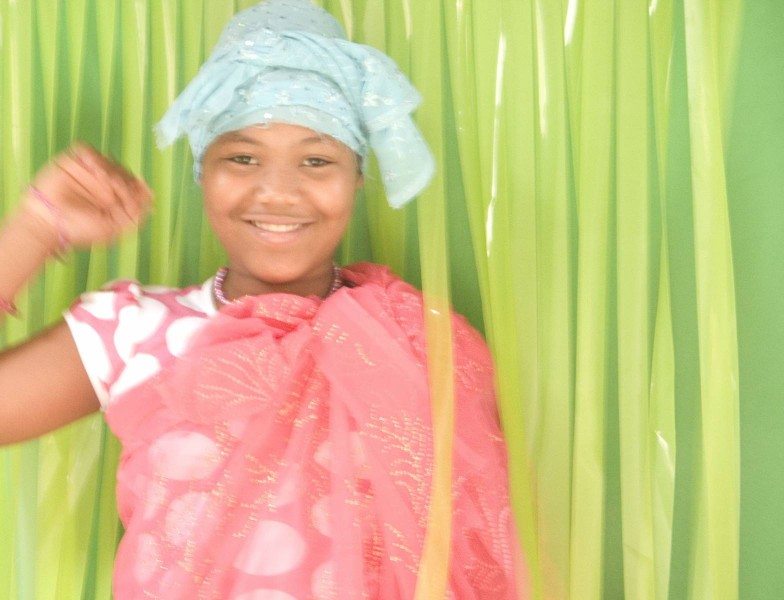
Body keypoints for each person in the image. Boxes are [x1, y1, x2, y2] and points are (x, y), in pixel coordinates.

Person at [0, 1, 523, 598]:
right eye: (242, 158)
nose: (277, 192)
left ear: (357, 177)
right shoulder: (134, 332)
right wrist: (34, 229)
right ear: (202, 170)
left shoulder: (417, 340)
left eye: (317, 160)